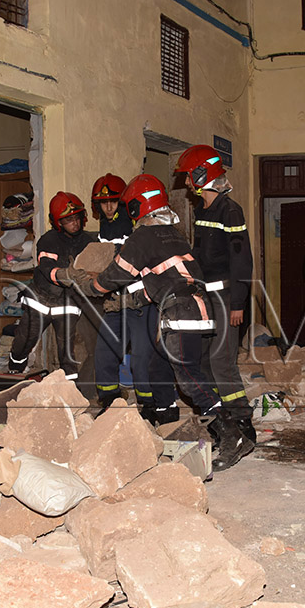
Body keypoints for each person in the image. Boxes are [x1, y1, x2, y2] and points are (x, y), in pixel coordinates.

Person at [77, 174, 254, 470]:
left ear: (137, 206)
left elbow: (114, 276)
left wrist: (89, 286)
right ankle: (184, 423)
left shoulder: (142, 237)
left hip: (180, 313)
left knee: (188, 378)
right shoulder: (173, 233)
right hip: (199, 309)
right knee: (172, 368)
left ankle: (231, 433)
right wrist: (134, 299)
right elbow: (166, 277)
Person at [174, 145, 256, 442]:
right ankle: (222, 421)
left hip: (225, 297)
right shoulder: (202, 210)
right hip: (206, 296)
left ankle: (243, 422)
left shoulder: (230, 210)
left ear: (202, 174)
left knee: (222, 361)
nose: (186, 183)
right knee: (207, 362)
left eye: (188, 177)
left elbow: (241, 259)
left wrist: (238, 303)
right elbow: (201, 255)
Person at [90, 173, 178, 423]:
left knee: (143, 358)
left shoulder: (137, 226)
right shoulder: (102, 231)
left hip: (141, 301)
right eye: (103, 202)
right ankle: (109, 402)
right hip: (114, 301)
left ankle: (149, 406)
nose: (108, 207)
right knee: (104, 352)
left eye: (113, 202)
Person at [8, 192, 96, 379]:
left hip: (68, 304)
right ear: (57, 222)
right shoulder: (48, 240)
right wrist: (66, 274)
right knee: (23, 342)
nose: (75, 223)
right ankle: (13, 373)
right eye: (68, 220)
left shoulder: (89, 242)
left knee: (68, 354)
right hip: (41, 300)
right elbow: (47, 268)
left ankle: (71, 392)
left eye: (77, 217)